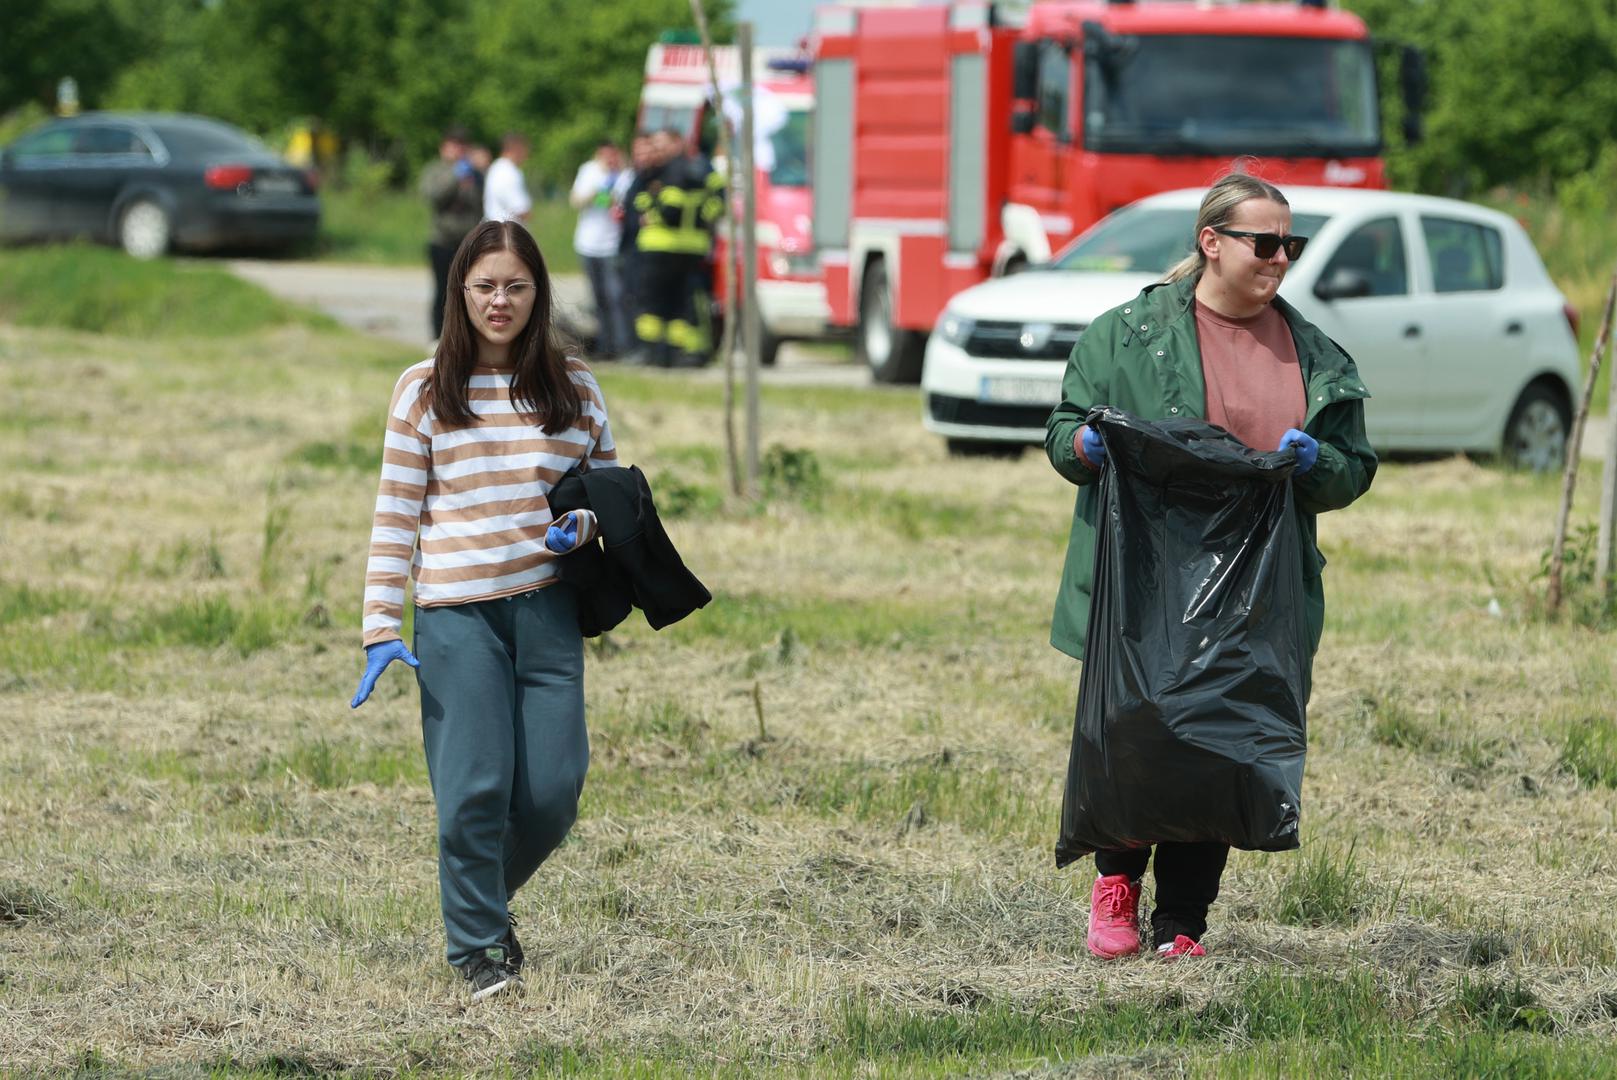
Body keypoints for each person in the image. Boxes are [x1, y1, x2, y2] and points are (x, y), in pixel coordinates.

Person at [1044, 172, 1377, 961]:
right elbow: (1063, 429)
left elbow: (1354, 469)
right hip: (1143, 579)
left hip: (1255, 584)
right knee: (1136, 730)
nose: (1279, 259)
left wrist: (1316, 460)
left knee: (1223, 741)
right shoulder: (1127, 334)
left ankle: (1182, 925)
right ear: (1211, 243)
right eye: (1264, 243)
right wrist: (1082, 449)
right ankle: (1116, 886)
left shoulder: (1315, 355)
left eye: (1287, 245)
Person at [349, 219, 619, 1002]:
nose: (499, 301)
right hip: (456, 616)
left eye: (516, 286)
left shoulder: (574, 385)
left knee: (551, 791)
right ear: (459, 292)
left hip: (547, 610)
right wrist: (379, 627)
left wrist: (585, 525)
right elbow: (395, 515)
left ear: (538, 294)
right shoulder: (423, 387)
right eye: (484, 286)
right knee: (472, 791)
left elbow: (608, 492)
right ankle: (476, 947)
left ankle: (475, 907)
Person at [630, 128, 725, 368]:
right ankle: (676, 353)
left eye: (662, 144)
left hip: (661, 245)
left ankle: (652, 352)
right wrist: (705, 219)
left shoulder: (668, 171)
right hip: (692, 246)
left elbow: (667, 209)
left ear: (677, 143)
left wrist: (650, 209)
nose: (658, 149)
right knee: (682, 303)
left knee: (654, 302)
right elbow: (719, 196)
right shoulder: (702, 166)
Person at [419, 125, 484, 341]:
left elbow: (480, 204)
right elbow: (434, 196)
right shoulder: (436, 170)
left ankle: (464, 337)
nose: (457, 151)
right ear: (444, 148)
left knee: (467, 291)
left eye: (462, 146)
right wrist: (455, 177)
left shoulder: (475, 173)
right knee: (442, 292)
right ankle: (437, 339)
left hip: (467, 241)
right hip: (442, 241)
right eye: (453, 145)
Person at [569, 140, 629, 357]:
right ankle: (605, 346)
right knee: (598, 298)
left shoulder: (625, 174)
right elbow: (576, 201)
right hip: (588, 243)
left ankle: (622, 345)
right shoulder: (589, 171)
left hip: (612, 245)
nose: (610, 160)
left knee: (616, 296)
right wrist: (597, 190)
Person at [615, 133, 657, 362]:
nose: (641, 156)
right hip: (629, 245)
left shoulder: (654, 179)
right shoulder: (635, 177)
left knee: (641, 299)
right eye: (637, 152)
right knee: (627, 296)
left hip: (645, 249)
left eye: (645, 151)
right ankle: (632, 346)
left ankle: (644, 348)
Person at [485, 132, 533, 224]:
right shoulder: (509, 172)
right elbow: (521, 209)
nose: (526, 155)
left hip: (495, 230)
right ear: (516, 149)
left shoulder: (496, 167)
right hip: (508, 233)